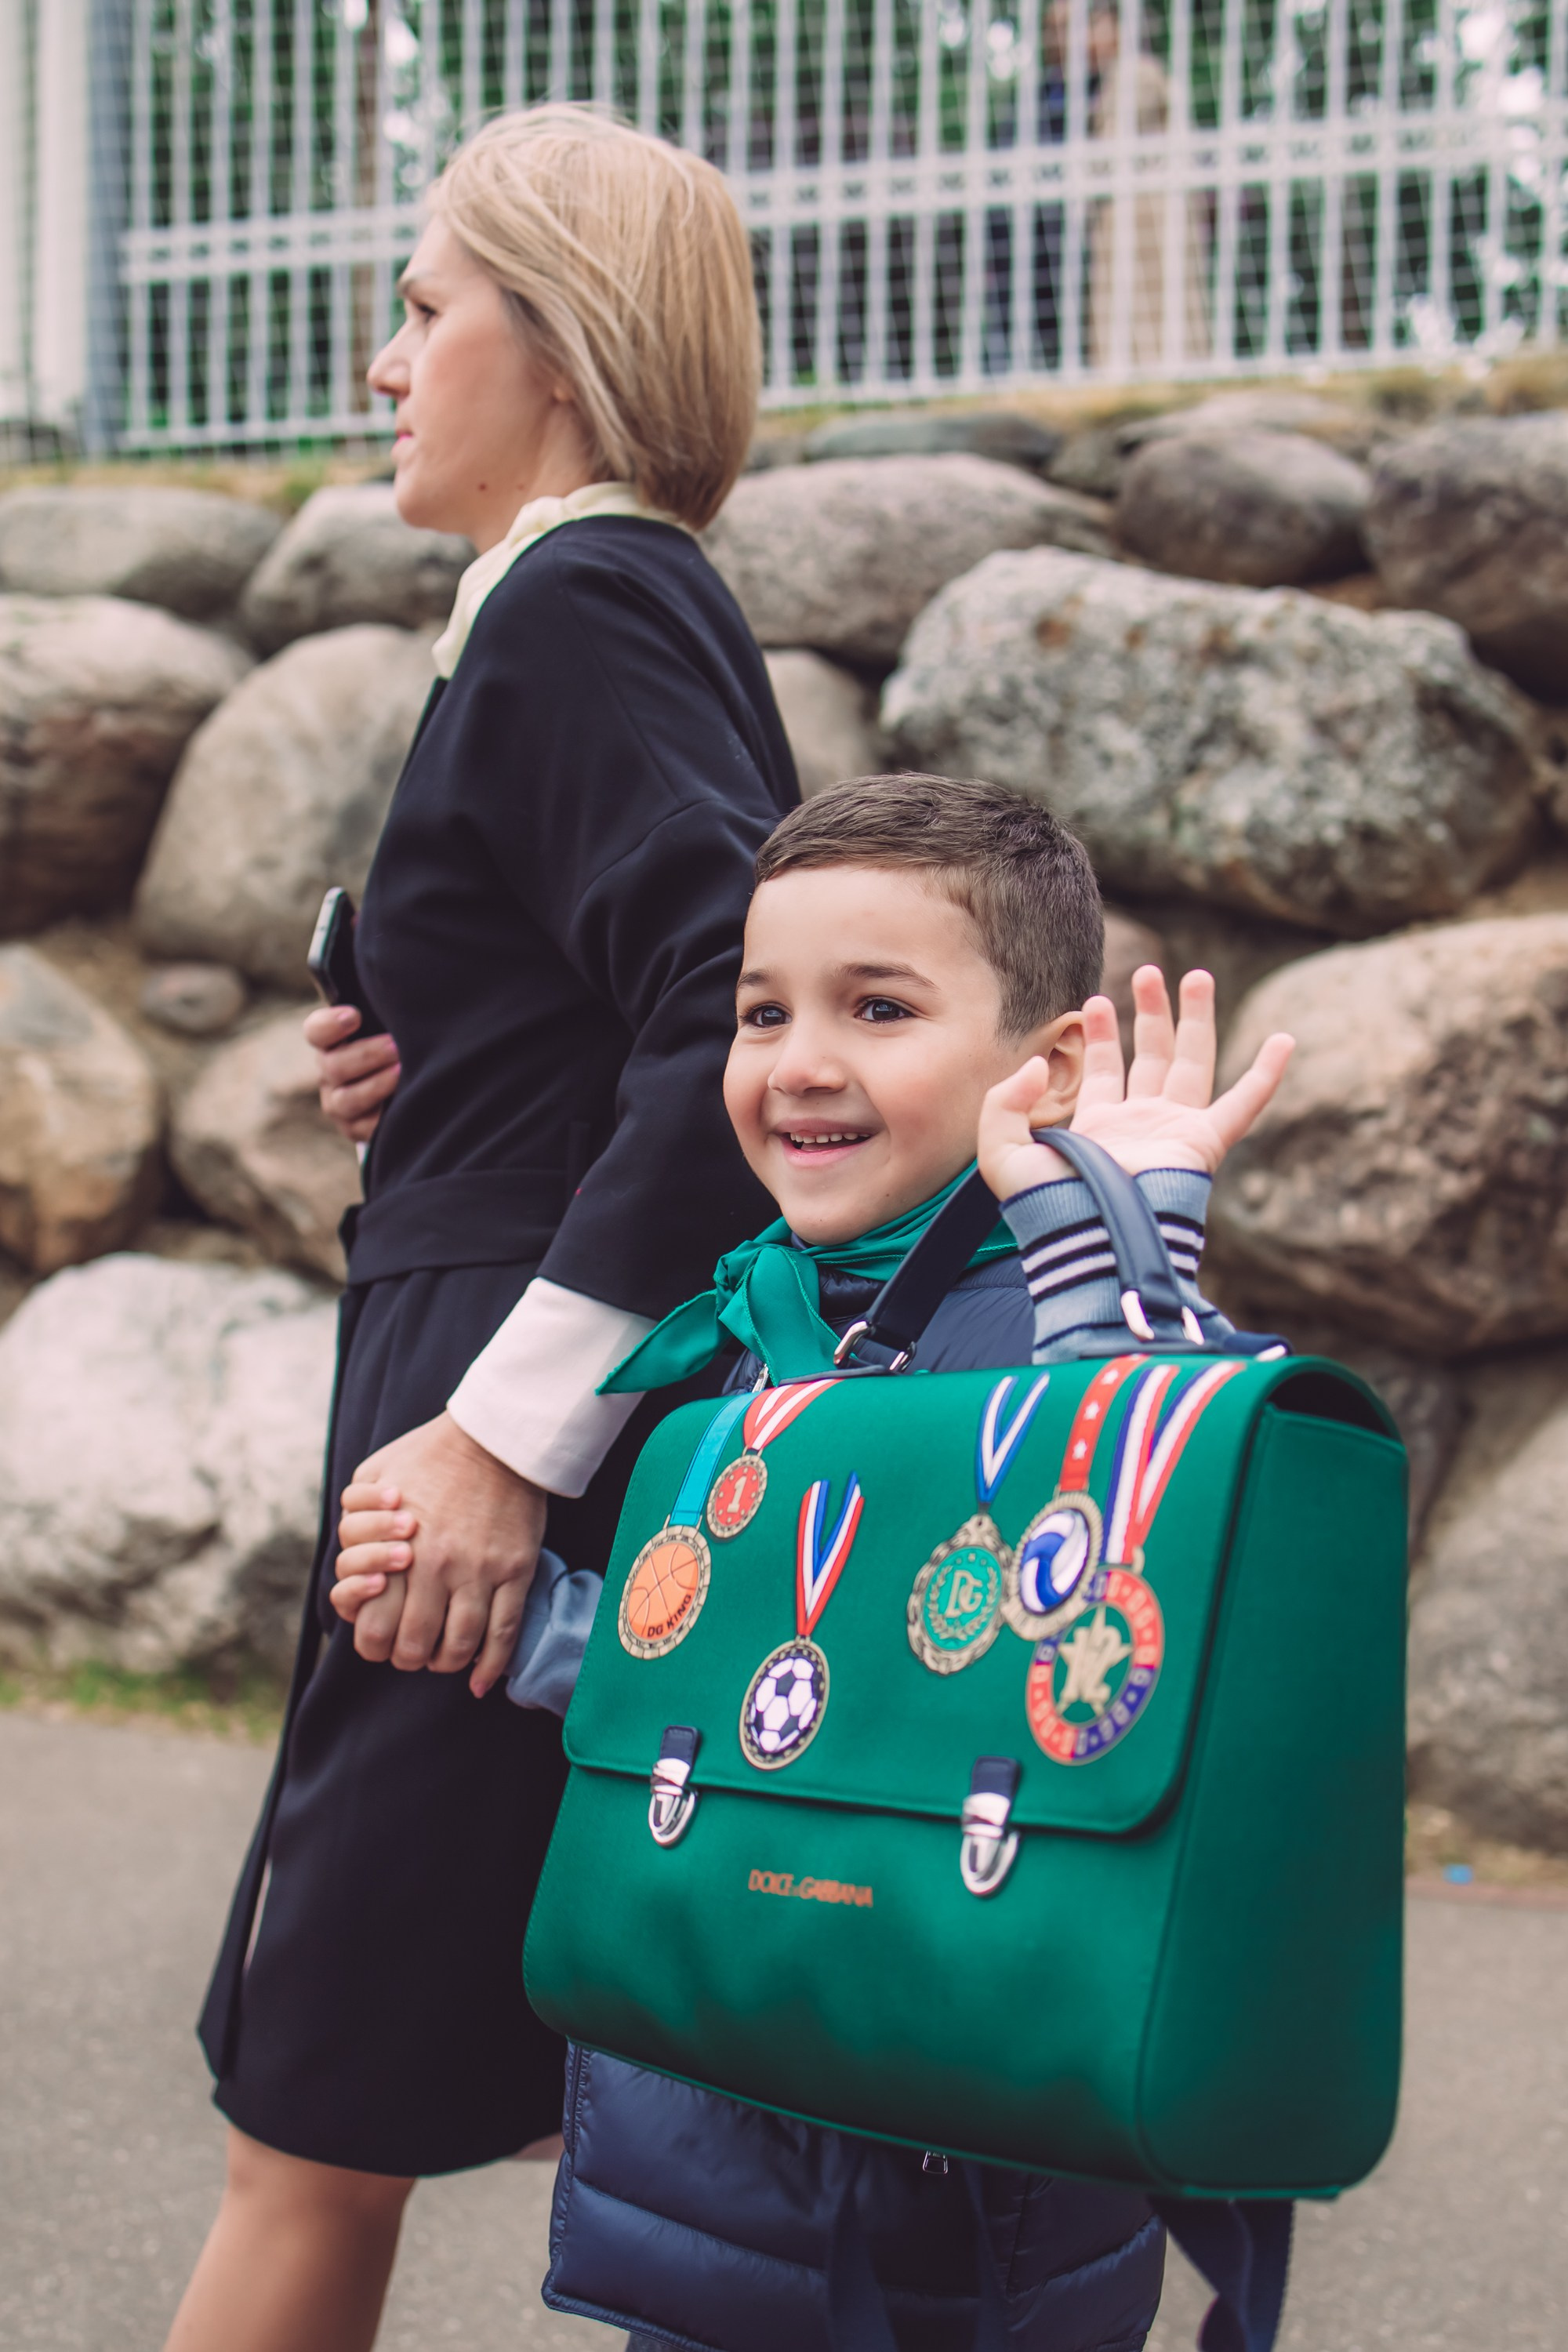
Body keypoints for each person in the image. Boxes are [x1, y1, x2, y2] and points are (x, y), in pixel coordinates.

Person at [339, 774, 1293, 2350]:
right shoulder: (770, 1320)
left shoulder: (1039, 1330)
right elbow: (757, 1685)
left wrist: (1118, 1257)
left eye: (878, 1008)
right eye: (761, 1012)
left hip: (955, 2204)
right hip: (720, 2152)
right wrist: (519, 1629)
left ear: (1043, 1066)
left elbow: (1124, 1583)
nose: (801, 1065)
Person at [164, 103, 796, 2352]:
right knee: (446, 2083)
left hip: (494, 1419)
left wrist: (508, 1442)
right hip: (490, 1368)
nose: (384, 361)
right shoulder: (569, 605)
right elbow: (620, 973)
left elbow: (731, 995)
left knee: (314, 2101)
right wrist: (424, 1022)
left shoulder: (588, 592)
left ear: (564, 342)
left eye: (426, 307)